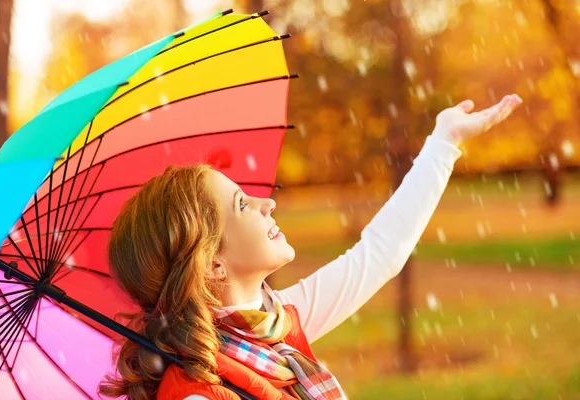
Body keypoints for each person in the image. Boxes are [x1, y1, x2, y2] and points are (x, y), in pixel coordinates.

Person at [98, 94, 522, 400]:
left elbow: (379, 254)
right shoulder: (196, 393)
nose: (268, 203)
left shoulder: (275, 327)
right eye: (242, 204)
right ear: (212, 264)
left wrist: (443, 142)